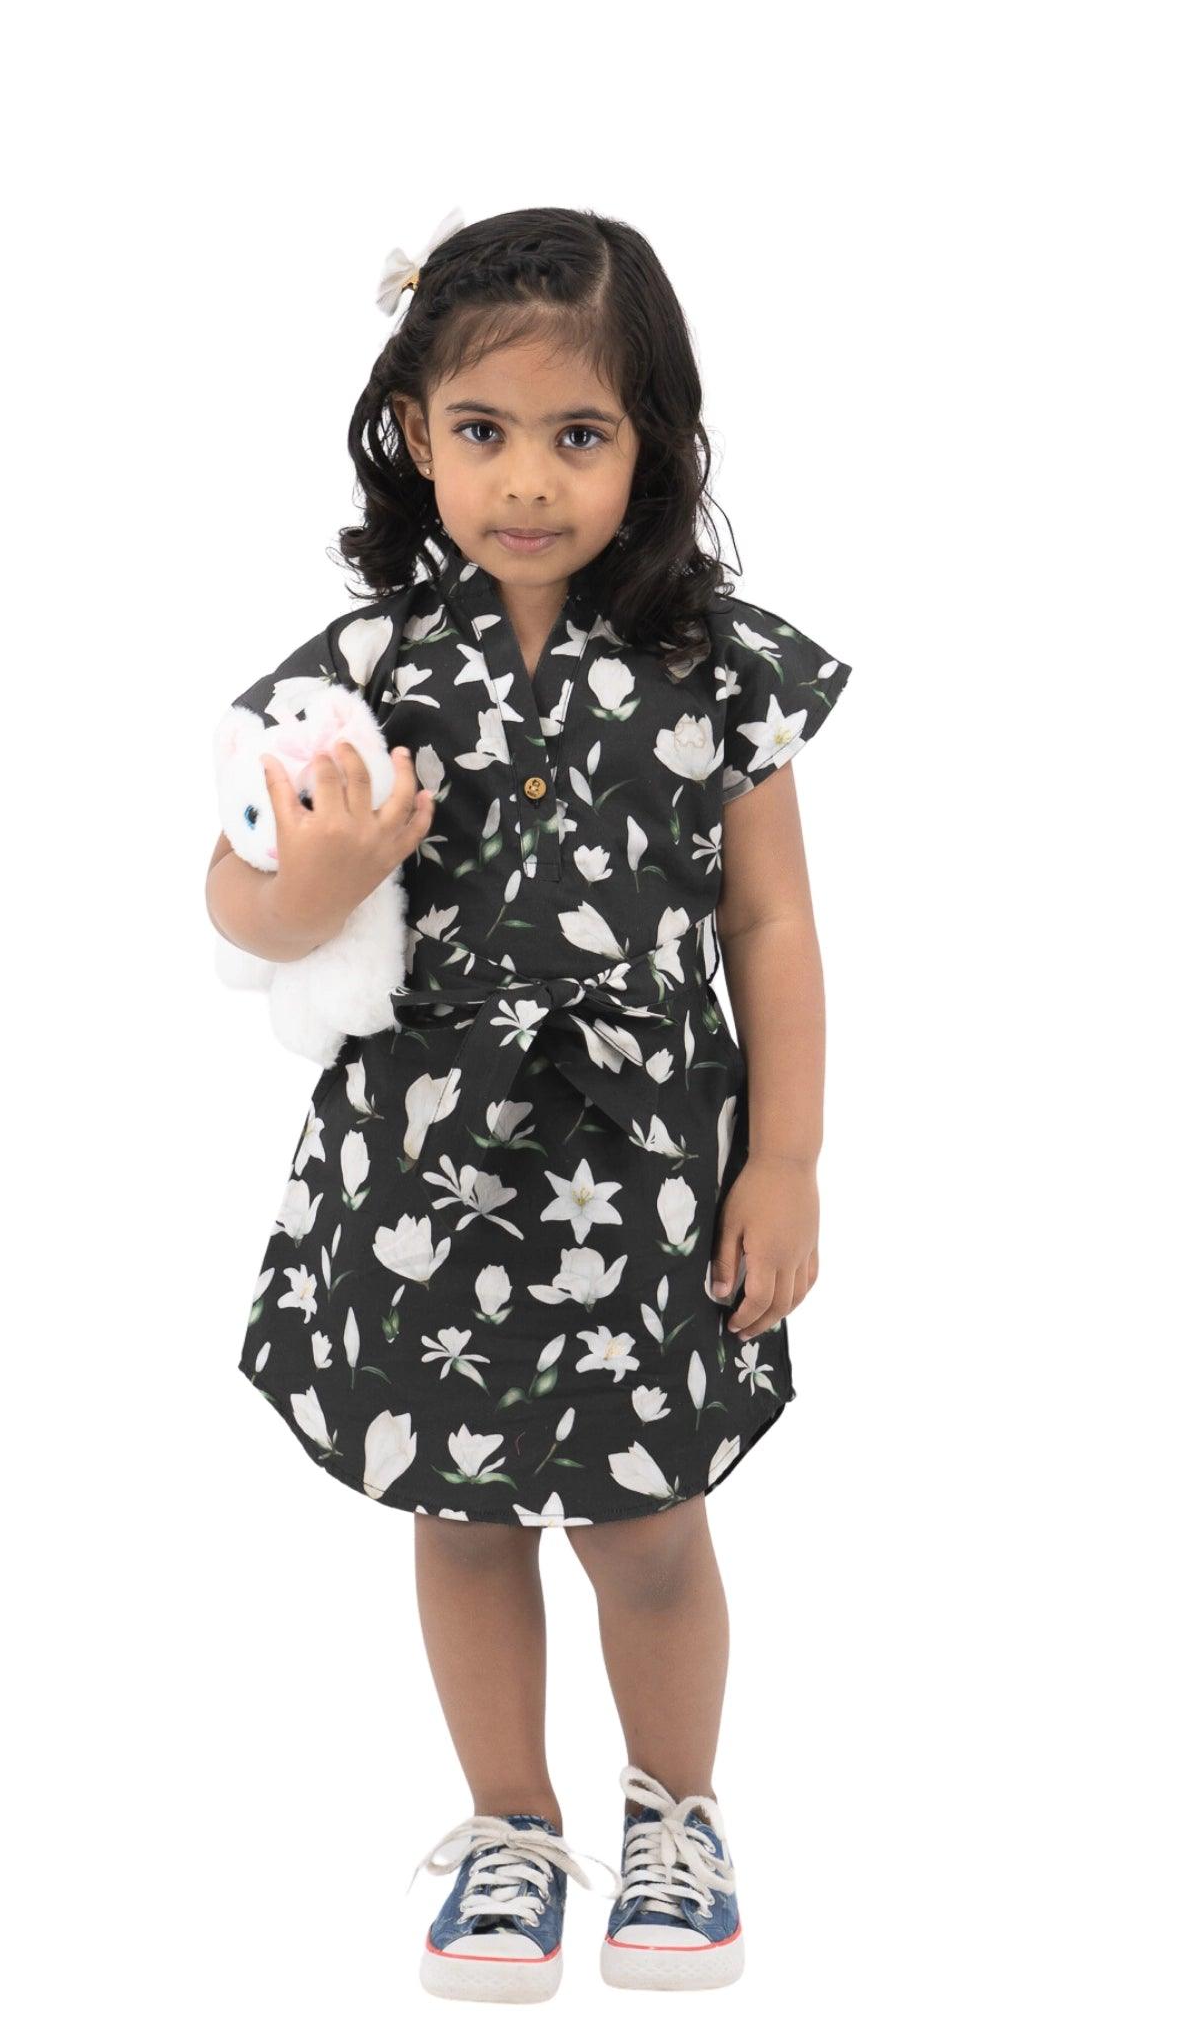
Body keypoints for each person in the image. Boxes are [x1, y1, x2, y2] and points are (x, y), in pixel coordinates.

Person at [206, 206, 853, 2002]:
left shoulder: (715, 664)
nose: (528, 480)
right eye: (483, 431)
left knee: (646, 1524)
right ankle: (512, 1827)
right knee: (466, 1514)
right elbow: (236, 900)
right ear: (416, 432)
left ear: (653, 447)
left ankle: (678, 1811)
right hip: (428, 1166)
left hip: (646, 1171)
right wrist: (319, 880)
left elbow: (772, 920)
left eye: (581, 435)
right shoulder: (363, 677)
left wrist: (784, 1155)